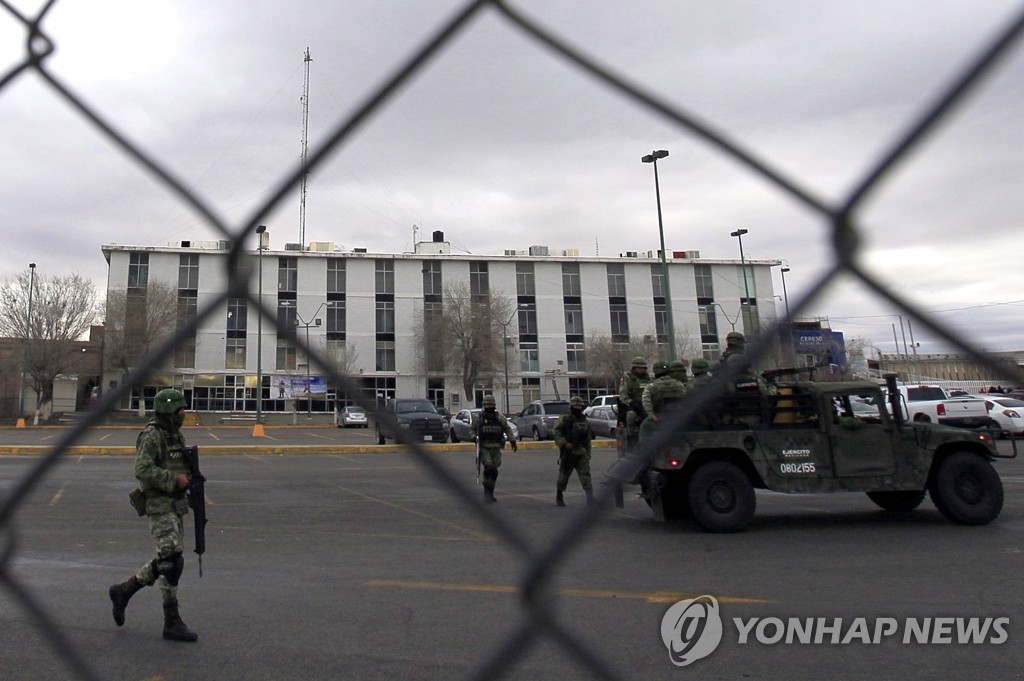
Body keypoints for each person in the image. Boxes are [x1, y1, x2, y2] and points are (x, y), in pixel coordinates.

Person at [108, 389, 198, 642]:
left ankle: (124, 591)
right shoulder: (152, 435)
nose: (183, 414)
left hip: (176, 504)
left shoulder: (175, 435)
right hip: (158, 503)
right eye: (180, 410)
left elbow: (181, 464)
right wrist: (173, 480)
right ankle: (171, 621)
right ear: (169, 411)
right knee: (170, 558)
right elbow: (143, 468)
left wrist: (191, 480)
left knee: (172, 559)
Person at [470, 394, 517, 503]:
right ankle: (487, 492)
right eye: (487, 404)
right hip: (484, 447)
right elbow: (472, 429)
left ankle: (491, 492)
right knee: (489, 468)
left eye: (491, 404)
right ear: (484, 405)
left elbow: (507, 429)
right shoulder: (479, 418)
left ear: (494, 405)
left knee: (494, 471)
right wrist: (474, 437)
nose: (489, 406)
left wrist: (513, 441)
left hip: (496, 447)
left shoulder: (499, 418)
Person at [553, 396, 594, 507]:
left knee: (586, 476)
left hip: (581, 452)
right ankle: (559, 495)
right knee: (563, 476)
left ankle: (590, 498)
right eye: (575, 406)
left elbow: (587, 439)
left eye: (579, 406)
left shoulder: (584, 420)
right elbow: (556, 431)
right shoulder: (565, 418)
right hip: (568, 452)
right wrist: (565, 443)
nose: (577, 408)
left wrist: (588, 453)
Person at [640, 361, 686, 441]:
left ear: (655, 373)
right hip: (678, 417)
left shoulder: (652, 386)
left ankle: (644, 448)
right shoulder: (679, 384)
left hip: (659, 417)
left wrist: (652, 415)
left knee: (645, 427)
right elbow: (686, 399)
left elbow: (646, 402)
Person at [617, 356, 650, 452]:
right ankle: (633, 437)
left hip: (646, 405)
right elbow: (623, 395)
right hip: (632, 406)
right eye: (639, 368)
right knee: (631, 416)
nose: (641, 370)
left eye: (643, 368)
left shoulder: (648, 379)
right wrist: (631, 403)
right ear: (634, 368)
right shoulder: (627, 378)